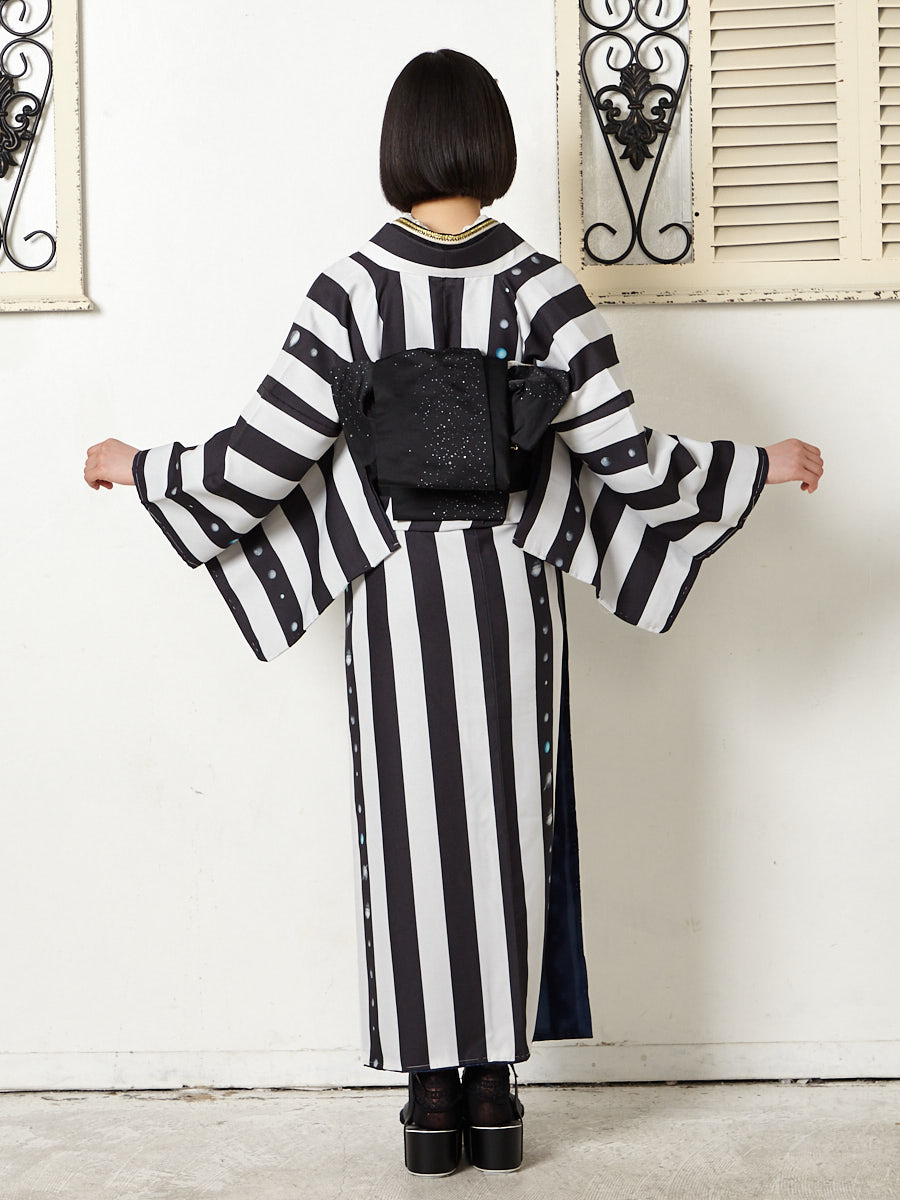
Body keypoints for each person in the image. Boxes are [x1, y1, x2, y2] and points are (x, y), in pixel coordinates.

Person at [84, 49, 823, 1177]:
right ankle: (495, 1090)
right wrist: (755, 463)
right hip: (507, 586)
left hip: (395, 592)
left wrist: (144, 466)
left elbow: (265, 454)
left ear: (400, 149)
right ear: (492, 147)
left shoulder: (351, 288)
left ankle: (429, 1099)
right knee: (506, 827)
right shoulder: (542, 287)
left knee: (411, 834)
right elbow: (625, 456)